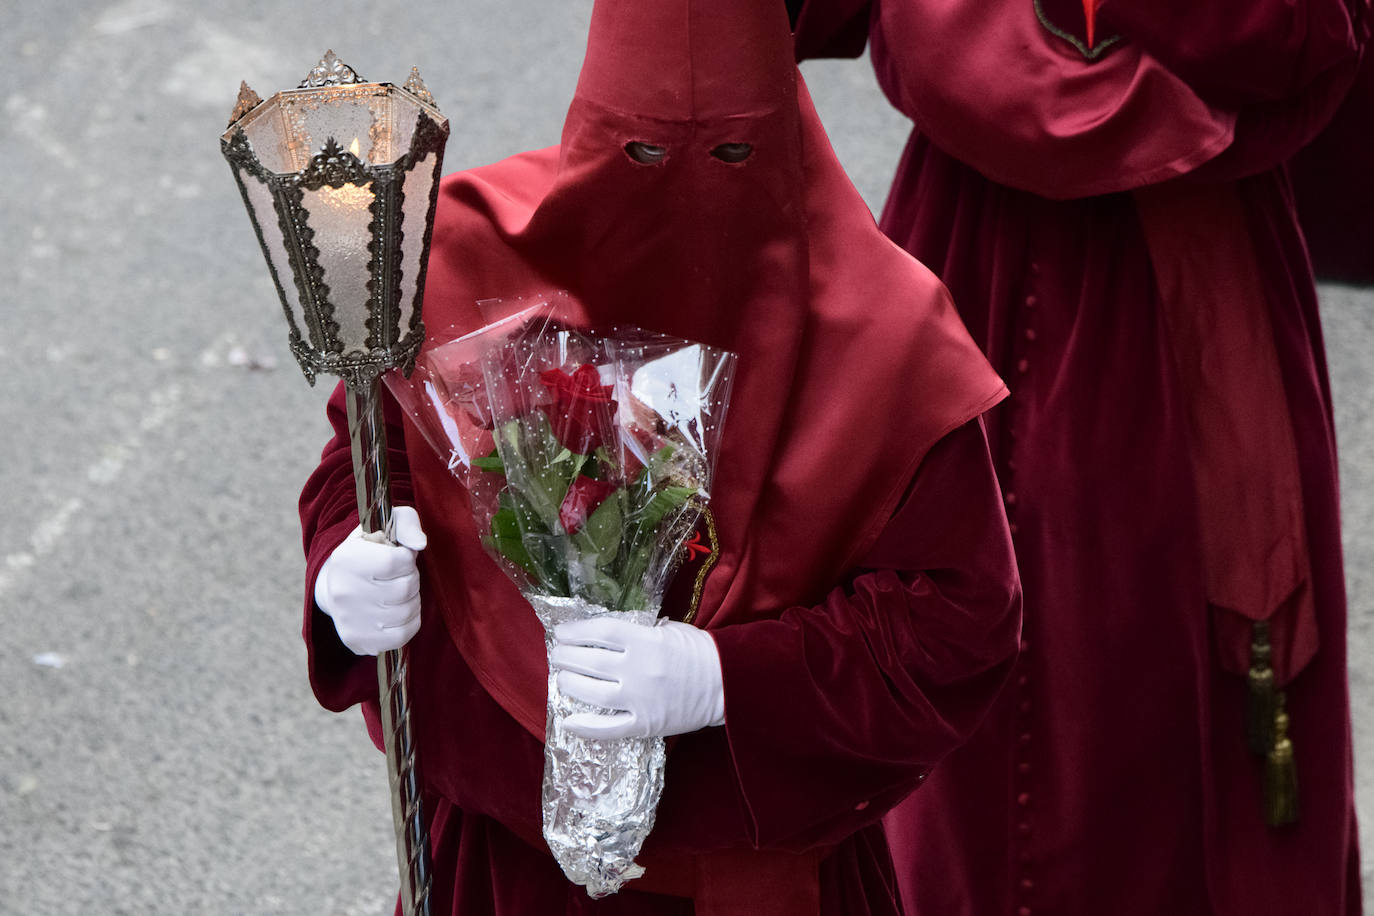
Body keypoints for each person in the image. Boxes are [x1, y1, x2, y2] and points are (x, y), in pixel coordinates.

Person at [298, 0, 1023, 913]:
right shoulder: (466, 254)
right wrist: (347, 561)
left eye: (732, 157)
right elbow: (370, 454)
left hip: (759, 884)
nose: (680, 195)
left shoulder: (890, 342)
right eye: (639, 154)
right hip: (502, 867)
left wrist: (728, 680)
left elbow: (959, 621)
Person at [789, 0, 1367, 913]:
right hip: (976, 276)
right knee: (936, 660)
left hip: (1186, 303)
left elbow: (1305, 37)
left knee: (1160, 723)